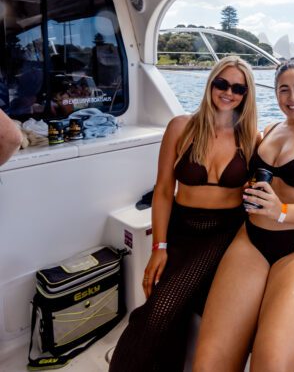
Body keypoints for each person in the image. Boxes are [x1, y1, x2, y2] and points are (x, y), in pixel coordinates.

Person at [193, 61, 294, 372]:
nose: (292, 97)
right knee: (209, 363)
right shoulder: (269, 131)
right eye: (284, 90)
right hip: (253, 240)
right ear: (275, 95)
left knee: (272, 365)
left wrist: (283, 212)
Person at [109, 56, 258, 371]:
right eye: (222, 83)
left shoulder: (252, 138)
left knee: (161, 308)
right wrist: (158, 247)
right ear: (211, 84)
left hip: (222, 235)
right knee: (159, 305)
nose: (228, 92)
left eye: (238, 88)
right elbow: (163, 190)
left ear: (246, 94)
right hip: (180, 229)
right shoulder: (181, 127)